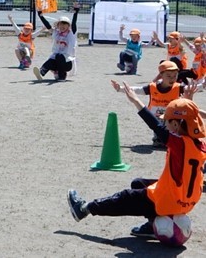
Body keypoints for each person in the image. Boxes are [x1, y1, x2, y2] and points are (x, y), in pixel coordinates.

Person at [68, 91, 206, 240]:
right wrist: (188, 104)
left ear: (175, 124)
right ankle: (153, 225)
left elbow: (155, 126)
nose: (165, 125)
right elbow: (188, 119)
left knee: (125, 197)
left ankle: (83, 209)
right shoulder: (200, 145)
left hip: (168, 201)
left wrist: (136, 102)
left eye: (167, 122)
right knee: (138, 183)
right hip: (186, 200)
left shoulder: (179, 143)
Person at [110, 60, 186, 147]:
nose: (172, 78)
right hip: (155, 116)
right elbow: (137, 90)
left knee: (172, 131)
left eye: (175, 75)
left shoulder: (178, 87)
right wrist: (120, 88)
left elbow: (193, 88)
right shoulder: (152, 87)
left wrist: (203, 84)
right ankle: (158, 139)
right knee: (158, 132)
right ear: (161, 75)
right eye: (168, 76)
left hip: (172, 117)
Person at [34, 4, 80, 81]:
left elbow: (74, 23)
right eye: (61, 24)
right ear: (58, 25)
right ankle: (41, 72)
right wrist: (40, 15)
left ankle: (61, 76)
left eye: (65, 24)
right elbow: (48, 26)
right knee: (51, 60)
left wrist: (76, 12)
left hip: (67, 62)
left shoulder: (71, 34)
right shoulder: (56, 33)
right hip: (56, 60)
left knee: (59, 56)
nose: (62, 26)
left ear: (68, 26)